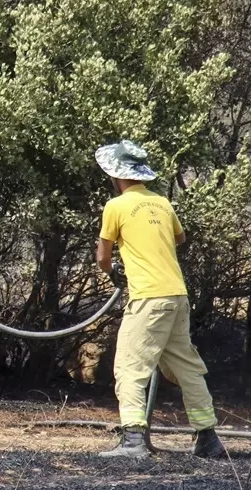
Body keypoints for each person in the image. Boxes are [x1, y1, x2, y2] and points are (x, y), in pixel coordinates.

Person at [94, 141, 225, 459]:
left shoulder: (116, 206)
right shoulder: (163, 203)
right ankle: (208, 438)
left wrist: (115, 273)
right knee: (186, 366)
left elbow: (102, 257)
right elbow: (179, 237)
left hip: (148, 298)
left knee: (129, 366)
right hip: (177, 295)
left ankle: (134, 441)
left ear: (116, 175)